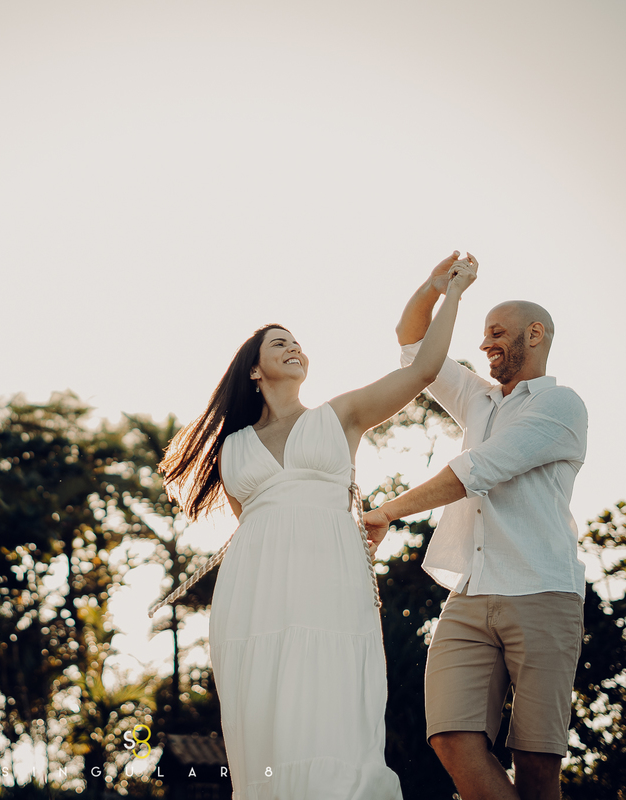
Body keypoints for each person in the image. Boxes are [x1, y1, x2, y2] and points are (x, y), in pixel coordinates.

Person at [156, 252, 477, 799]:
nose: (294, 347)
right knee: (266, 719)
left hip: (330, 576)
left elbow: (422, 370)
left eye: (297, 342)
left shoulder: (340, 415)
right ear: (254, 370)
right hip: (254, 594)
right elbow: (255, 526)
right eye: (278, 343)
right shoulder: (231, 449)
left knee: (332, 705)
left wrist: (446, 294)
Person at [361, 259, 589, 800]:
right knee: (450, 737)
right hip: (469, 593)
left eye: (497, 333)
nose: (484, 344)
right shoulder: (478, 399)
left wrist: (388, 511)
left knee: (535, 760)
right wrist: (440, 289)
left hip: (542, 591)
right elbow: (412, 342)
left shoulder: (561, 405)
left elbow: (478, 470)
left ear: (535, 335)